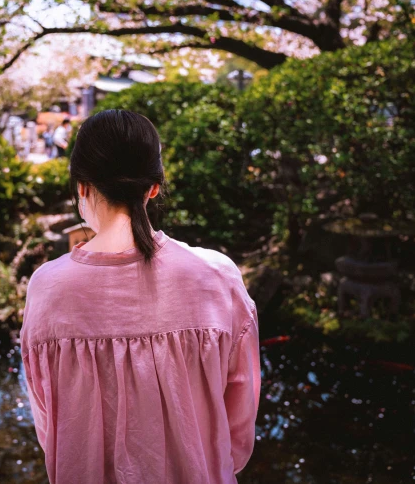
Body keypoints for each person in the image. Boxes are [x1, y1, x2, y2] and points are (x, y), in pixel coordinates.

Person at [20, 109, 261, 484]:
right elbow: (239, 429)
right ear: (153, 187)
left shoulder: (47, 287)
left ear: (82, 187)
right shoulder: (217, 277)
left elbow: (50, 427)